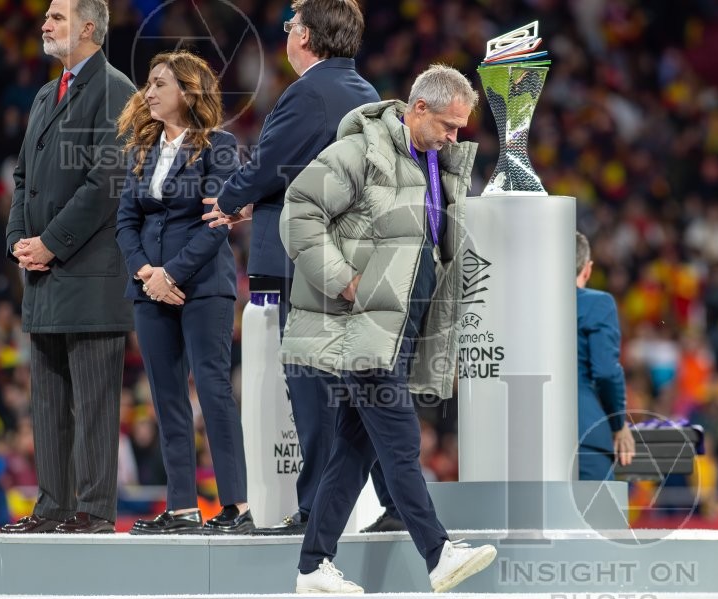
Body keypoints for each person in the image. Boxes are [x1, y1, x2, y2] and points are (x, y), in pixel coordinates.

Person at [280, 64, 497, 593]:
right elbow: (298, 210)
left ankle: (313, 567)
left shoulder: (437, 162)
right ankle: (438, 553)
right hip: (364, 331)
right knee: (400, 440)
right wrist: (343, 280)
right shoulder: (361, 151)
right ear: (418, 108)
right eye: (449, 125)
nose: (455, 137)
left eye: (460, 129)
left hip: (402, 330)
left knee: (353, 450)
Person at [203, 0, 379, 535]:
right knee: (351, 386)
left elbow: (270, 162)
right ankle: (377, 499)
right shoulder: (366, 92)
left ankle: (317, 510)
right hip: (348, 256)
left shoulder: (309, 92)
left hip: (301, 261)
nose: (286, 34)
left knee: (312, 388)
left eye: (290, 26)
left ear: (305, 36)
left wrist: (229, 199)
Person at [1, 0, 135, 534]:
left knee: (94, 400)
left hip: (90, 272)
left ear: (88, 27)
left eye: (57, 16)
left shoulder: (116, 90)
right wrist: (17, 239)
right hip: (42, 272)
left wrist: (51, 243)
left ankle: (95, 511)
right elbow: (23, 179)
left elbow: (107, 180)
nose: (45, 24)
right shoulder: (44, 94)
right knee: (48, 399)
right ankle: (52, 506)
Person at [115, 50, 253, 535]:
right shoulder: (140, 150)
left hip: (203, 286)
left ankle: (236, 504)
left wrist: (170, 274)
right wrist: (146, 273)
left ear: (188, 92)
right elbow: (125, 221)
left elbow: (217, 221)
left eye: (160, 84)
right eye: (149, 83)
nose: (148, 92)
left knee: (213, 389)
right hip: (149, 288)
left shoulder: (219, 145)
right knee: (166, 395)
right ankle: (182, 507)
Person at [575, 231, 635, 480]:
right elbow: (606, 372)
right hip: (583, 433)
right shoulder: (597, 303)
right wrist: (618, 424)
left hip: (521, 437)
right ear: (587, 269)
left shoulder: (518, 308)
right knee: (595, 507)